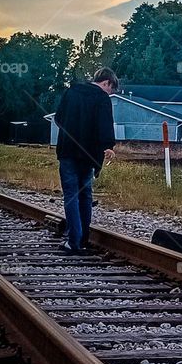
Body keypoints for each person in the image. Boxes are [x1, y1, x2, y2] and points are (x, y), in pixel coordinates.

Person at [54, 67, 118, 254]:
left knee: (71, 195)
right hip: (88, 155)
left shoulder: (71, 92)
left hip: (67, 152)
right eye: (111, 89)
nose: (110, 93)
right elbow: (105, 124)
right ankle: (82, 240)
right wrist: (108, 146)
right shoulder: (102, 99)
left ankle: (73, 241)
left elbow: (58, 118)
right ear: (106, 82)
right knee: (85, 195)